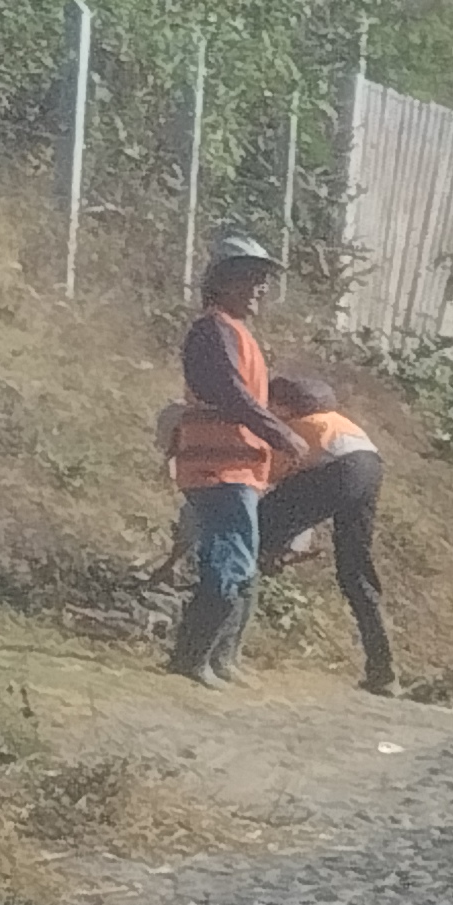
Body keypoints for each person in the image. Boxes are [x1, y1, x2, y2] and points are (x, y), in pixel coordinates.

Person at [167, 233, 305, 687]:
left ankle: (221, 659)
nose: (261, 288)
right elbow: (230, 394)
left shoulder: (236, 334)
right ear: (224, 282)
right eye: (252, 278)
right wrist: (280, 433)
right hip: (218, 471)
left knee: (242, 569)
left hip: (239, 472)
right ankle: (192, 660)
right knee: (228, 565)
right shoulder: (212, 331)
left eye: (263, 279)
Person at [257, 375, 396, 695]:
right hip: (370, 467)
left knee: (256, 530)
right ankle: (383, 671)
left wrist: (271, 538)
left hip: (340, 471)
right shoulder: (335, 422)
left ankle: (221, 636)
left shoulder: (296, 428)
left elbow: (269, 478)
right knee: (355, 570)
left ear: (283, 405)